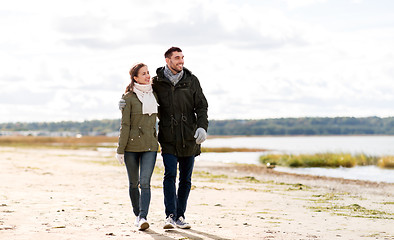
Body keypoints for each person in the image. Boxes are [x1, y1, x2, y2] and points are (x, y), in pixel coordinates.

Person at [119, 47, 208, 229]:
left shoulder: (192, 80)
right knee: (170, 175)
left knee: (186, 179)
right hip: (167, 137)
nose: (181, 61)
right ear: (168, 60)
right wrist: (122, 101)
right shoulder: (157, 82)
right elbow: (139, 92)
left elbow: (202, 106)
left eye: (182, 57)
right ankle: (170, 215)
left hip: (189, 137)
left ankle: (180, 216)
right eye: (177, 58)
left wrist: (202, 127)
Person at [116, 63, 159, 231]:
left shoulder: (155, 94)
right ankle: (137, 215)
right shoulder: (128, 98)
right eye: (144, 74)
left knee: (145, 182)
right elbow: (125, 125)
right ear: (135, 78)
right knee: (133, 183)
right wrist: (120, 150)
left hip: (150, 145)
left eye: (148, 73)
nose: (148, 76)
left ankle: (143, 217)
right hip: (131, 148)